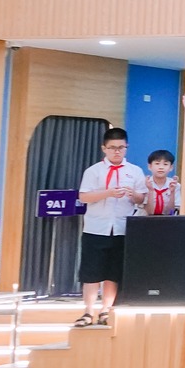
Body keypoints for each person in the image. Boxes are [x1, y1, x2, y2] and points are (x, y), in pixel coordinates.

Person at [76, 127, 148, 326]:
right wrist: (107, 193)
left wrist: (133, 194)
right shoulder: (94, 171)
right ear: (104, 148)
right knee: (91, 272)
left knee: (112, 272)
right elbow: (84, 196)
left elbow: (142, 199)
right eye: (112, 148)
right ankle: (88, 311)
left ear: (126, 147)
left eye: (121, 148)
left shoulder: (135, 171)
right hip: (96, 227)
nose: (117, 152)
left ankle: (105, 310)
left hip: (122, 228)